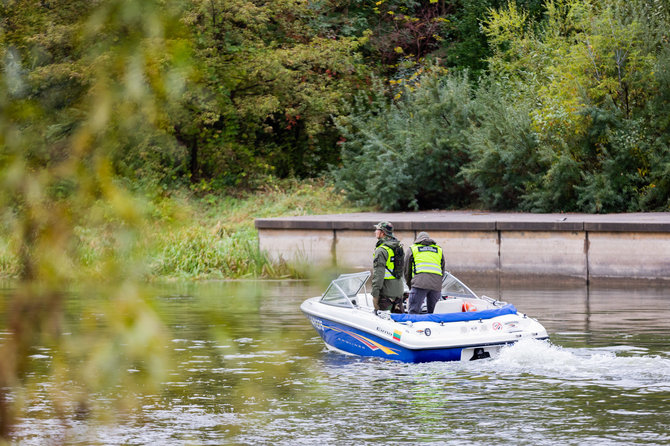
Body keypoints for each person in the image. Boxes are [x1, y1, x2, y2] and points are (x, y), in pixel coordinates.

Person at [404, 231, 446, 314]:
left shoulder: (412, 248)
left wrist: (410, 285)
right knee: (433, 312)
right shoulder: (438, 249)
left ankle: (413, 326)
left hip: (419, 284)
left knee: (413, 311)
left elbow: (406, 270)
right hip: (436, 285)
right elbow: (442, 269)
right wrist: (438, 283)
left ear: (417, 239)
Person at [371, 221, 404, 313]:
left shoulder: (381, 250)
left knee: (383, 322)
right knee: (399, 321)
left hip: (386, 294)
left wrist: (375, 296)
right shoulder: (398, 246)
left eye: (377, 230)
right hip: (399, 291)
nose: (375, 232)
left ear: (382, 233)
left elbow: (378, 275)